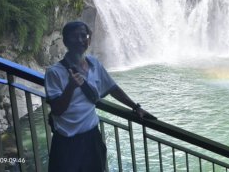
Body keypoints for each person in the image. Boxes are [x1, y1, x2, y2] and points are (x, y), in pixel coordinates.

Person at [44, 21, 155, 172]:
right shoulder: (54, 72)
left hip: (92, 138)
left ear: (89, 40)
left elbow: (112, 87)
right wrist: (70, 87)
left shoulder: (94, 63)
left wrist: (136, 107)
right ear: (65, 41)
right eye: (74, 37)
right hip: (66, 142)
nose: (80, 40)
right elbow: (57, 110)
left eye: (84, 36)